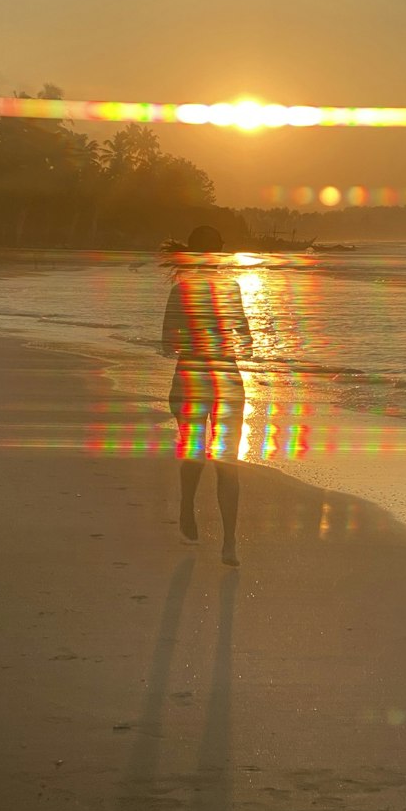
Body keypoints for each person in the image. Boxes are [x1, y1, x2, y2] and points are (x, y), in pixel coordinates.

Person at [160, 225, 253, 566]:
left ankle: (188, 511)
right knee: (226, 462)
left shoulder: (182, 290)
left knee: (195, 452)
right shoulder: (228, 288)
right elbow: (245, 336)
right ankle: (229, 543)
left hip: (192, 376)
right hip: (225, 378)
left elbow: (168, 342)